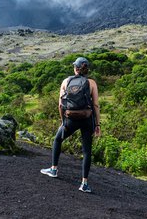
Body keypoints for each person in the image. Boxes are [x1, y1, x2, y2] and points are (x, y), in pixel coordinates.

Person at [40, 57, 101, 193]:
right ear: (86, 69)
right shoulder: (92, 83)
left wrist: (63, 122)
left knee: (57, 139)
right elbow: (96, 105)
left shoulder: (66, 81)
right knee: (86, 151)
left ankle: (54, 169)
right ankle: (84, 183)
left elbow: (61, 104)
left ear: (76, 68)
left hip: (70, 119)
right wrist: (97, 124)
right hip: (87, 119)